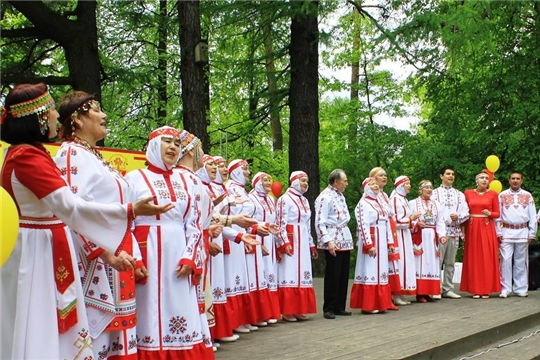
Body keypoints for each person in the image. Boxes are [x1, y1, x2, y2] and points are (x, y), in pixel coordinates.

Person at [0, 83, 171, 359]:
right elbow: (71, 206)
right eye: (52, 109)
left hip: (43, 244)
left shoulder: (25, 153)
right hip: (41, 249)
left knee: (31, 318)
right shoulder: (32, 157)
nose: (56, 115)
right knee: (39, 318)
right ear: (41, 117)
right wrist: (129, 211)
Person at [53, 91, 143, 359]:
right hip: (97, 259)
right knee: (97, 338)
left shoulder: (93, 155)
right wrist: (106, 254)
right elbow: (72, 211)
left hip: (115, 257)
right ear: (77, 120)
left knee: (118, 337)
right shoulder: (71, 154)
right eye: (96, 110)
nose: (104, 115)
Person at [125, 126, 214, 359]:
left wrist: (189, 256)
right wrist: (135, 259)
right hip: (148, 254)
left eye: (177, 143)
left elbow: (194, 223)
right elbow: (125, 224)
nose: (173, 147)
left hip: (178, 253)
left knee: (179, 307)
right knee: (149, 310)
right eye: (167, 142)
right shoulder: (133, 179)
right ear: (153, 145)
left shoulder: (185, 181)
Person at [275, 171, 318, 322]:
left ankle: (299, 308)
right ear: (294, 181)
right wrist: (284, 242)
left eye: (307, 181)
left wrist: (312, 245)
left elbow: (308, 224)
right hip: (291, 237)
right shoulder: (284, 199)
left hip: (303, 238)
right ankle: (287, 310)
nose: (306, 184)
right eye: (303, 181)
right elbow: (280, 223)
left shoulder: (305, 201)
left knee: (302, 274)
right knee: (290, 273)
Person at [350, 177, 394, 314]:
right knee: (370, 270)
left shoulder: (381, 202)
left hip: (382, 238)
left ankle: (381, 303)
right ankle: (368, 305)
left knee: (381, 271)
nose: (375, 186)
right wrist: (369, 244)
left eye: (376, 184)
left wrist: (390, 242)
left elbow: (387, 223)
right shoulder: (363, 204)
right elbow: (363, 225)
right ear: (366, 187)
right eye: (372, 184)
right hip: (372, 238)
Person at [314, 169, 353, 320]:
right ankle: (329, 307)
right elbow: (319, 221)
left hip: (344, 236)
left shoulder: (340, 196)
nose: (346, 183)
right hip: (333, 237)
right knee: (333, 274)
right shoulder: (325, 197)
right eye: (345, 180)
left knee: (343, 274)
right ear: (336, 182)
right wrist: (328, 240)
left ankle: (339, 306)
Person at [460, 171, 501, 299]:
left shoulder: (493, 194)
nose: (484, 180)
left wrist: (490, 213)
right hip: (472, 227)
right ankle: (475, 289)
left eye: (486, 179)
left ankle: (486, 289)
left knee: (487, 257)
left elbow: (498, 213)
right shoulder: (468, 193)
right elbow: (463, 211)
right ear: (476, 180)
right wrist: (462, 230)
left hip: (486, 226)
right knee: (474, 257)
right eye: (482, 178)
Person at [496, 172, 537, 298]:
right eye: (513, 178)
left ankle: (520, 288)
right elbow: (498, 215)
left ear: (521, 181)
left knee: (521, 261)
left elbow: (532, 215)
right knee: (505, 261)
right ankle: (505, 288)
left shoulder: (527, 196)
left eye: (517, 179)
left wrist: (532, 233)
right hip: (506, 231)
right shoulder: (502, 195)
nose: (515, 181)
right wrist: (498, 231)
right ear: (509, 180)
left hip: (522, 231)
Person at [431, 166, 469, 299]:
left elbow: (466, 212)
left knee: (450, 262)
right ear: (441, 176)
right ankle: (435, 288)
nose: (451, 176)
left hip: (454, 230)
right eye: (448, 174)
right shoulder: (434, 193)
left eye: (453, 174)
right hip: (439, 231)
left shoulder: (459, 194)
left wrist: (458, 216)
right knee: (437, 260)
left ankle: (448, 288)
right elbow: (429, 210)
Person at [249, 172, 282, 324]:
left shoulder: (270, 199)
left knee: (270, 273)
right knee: (259, 275)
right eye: (265, 180)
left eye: (270, 179)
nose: (269, 182)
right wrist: (259, 242)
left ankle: (271, 312)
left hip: (269, 238)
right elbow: (249, 221)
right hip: (256, 237)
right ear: (257, 182)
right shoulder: (251, 198)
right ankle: (260, 314)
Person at [409, 180, 447, 303]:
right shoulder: (413, 203)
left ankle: (429, 291)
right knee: (420, 263)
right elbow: (409, 219)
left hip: (432, 236)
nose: (429, 190)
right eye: (426, 187)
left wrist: (442, 235)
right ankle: (420, 293)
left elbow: (440, 221)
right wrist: (416, 224)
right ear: (420, 190)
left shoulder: (437, 205)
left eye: (431, 187)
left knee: (432, 262)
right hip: (420, 235)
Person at [369, 167, 400, 309]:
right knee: (382, 266)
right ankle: (383, 299)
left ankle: (389, 298)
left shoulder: (385, 195)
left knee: (390, 265)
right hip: (378, 234)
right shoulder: (370, 196)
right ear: (373, 178)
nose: (384, 178)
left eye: (385, 175)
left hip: (388, 231)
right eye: (380, 175)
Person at [389, 176, 419, 305]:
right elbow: (396, 220)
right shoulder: (395, 199)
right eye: (407, 184)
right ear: (401, 185)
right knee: (400, 262)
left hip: (405, 234)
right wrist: (411, 219)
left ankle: (401, 293)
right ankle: (396, 293)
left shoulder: (403, 199)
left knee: (406, 262)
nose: (409, 186)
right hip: (398, 235)